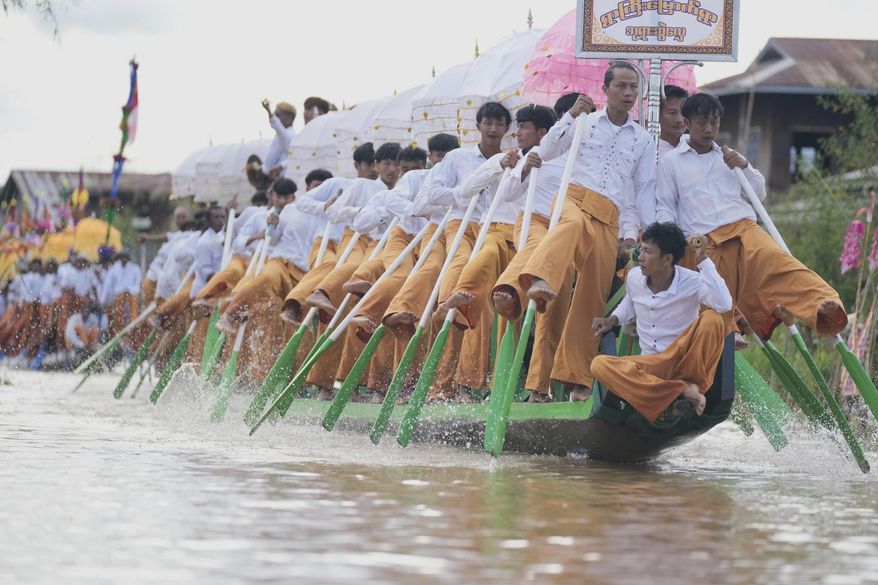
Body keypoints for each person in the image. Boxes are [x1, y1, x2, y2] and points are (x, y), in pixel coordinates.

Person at [655, 92, 847, 340]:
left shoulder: (729, 155)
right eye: (702, 122)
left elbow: (760, 193)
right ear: (688, 122)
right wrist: (676, 242)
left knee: (778, 260)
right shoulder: (671, 162)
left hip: (743, 228)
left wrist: (744, 165)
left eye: (714, 122)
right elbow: (665, 207)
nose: (709, 128)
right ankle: (727, 338)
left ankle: (823, 304)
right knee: (711, 297)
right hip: (704, 239)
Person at [519, 62, 654, 401]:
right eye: (620, 86)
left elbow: (637, 192)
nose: (627, 93)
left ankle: (577, 379)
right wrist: (569, 117)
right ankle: (539, 382)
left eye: (633, 88)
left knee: (591, 298)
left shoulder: (642, 139)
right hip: (574, 200)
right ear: (605, 90)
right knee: (570, 232)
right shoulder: (584, 122)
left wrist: (630, 233)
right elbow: (546, 150)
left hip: (609, 215)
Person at [591, 222, 733, 420]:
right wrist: (612, 319)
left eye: (648, 252)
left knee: (713, 319)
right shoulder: (634, 278)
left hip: (685, 361)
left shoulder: (691, 281)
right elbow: (630, 303)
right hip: (652, 364)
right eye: (641, 249)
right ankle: (681, 391)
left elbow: (724, 304)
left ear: (667, 259)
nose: (640, 257)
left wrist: (703, 259)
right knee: (599, 365)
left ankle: (684, 387)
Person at [102, 250, 143, 338]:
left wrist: (130, 291)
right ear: (119, 258)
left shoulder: (135, 268)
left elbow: (138, 285)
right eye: (122, 257)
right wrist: (104, 300)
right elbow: (108, 286)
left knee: (133, 310)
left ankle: (133, 327)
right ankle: (120, 334)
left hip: (132, 296)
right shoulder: (113, 270)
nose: (124, 259)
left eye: (125, 257)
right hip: (118, 298)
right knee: (118, 314)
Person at [261, 99, 298, 179]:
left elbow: (296, 156)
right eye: (274, 115)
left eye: (278, 115)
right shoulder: (280, 135)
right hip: (271, 178)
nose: (275, 118)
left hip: (283, 178)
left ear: (289, 117)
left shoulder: (290, 136)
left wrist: (269, 112)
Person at [659, 85, 689, 157]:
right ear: (658, 114)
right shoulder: (650, 149)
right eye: (672, 113)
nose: (679, 120)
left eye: (683, 113)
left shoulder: (697, 145)